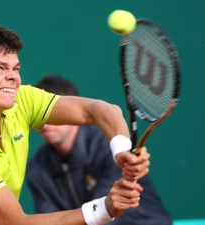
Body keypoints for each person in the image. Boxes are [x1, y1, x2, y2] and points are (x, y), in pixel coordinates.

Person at [0, 24, 150, 225]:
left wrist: (121, 152)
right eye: (0, 68)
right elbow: (16, 222)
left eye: (16, 69)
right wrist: (104, 209)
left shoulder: (21, 100)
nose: (13, 77)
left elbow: (102, 110)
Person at [27, 75, 172, 225]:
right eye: (40, 113)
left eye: (53, 113)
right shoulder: (36, 169)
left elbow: (107, 218)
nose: (45, 122)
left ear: (71, 113)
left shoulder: (109, 149)